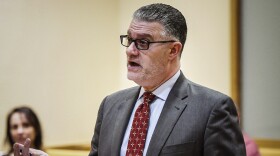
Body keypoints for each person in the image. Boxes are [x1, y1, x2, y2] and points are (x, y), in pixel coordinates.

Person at [13, 3, 246, 156]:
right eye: (129, 40)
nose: (130, 51)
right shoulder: (111, 105)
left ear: (173, 50)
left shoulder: (211, 108)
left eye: (143, 42)